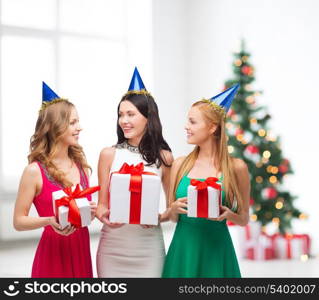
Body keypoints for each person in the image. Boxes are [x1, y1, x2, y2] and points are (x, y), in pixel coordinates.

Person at [162, 84, 250, 278]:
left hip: (217, 251)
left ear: (212, 127)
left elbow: (244, 218)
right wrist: (173, 210)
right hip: (184, 250)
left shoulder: (237, 168)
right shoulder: (179, 165)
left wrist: (229, 215)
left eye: (192, 122)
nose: (186, 126)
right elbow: (173, 216)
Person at [13, 82, 96, 278]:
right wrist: (49, 221)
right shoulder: (34, 171)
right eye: (73, 122)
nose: (80, 127)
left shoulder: (82, 167)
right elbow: (18, 221)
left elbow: (81, 215)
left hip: (81, 251)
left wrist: (89, 213)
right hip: (53, 256)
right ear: (55, 127)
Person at [96, 67, 173, 277]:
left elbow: (171, 210)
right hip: (112, 247)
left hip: (149, 248)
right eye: (121, 115)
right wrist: (104, 215)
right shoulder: (108, 155)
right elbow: (101, 207)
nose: (124, 121)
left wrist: (158, 218)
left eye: (131, 114)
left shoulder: (164, 158)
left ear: (148, 118)